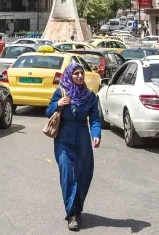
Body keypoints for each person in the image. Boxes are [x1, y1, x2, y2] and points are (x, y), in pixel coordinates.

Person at [46, 62, 102, 231]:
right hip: (63, 140)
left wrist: (96, 135)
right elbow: (48, 111)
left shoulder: (90, 96)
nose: (79, 76)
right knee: (68, 176)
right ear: (69, 75)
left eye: (81, 73)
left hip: (83, 141)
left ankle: (77, 208)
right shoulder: (61, 92)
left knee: (84, 175)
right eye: (75, 73)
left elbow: (95, 119)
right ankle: (71, 214)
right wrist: (58, 104)